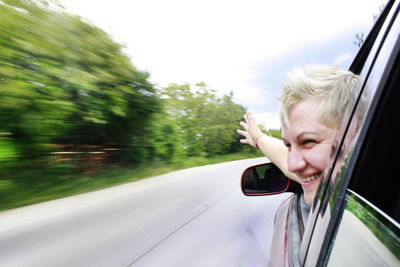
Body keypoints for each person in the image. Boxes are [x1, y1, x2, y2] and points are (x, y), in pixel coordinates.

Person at [237, 65, 361, 267]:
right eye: (289, 145)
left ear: (356, 135)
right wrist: (258, 138)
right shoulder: (337, 177)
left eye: (309, 142)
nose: (293, 164)